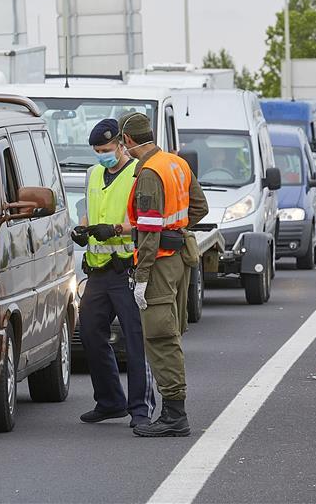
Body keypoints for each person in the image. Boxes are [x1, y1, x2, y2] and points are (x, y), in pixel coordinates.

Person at [120, 111, 208, 437]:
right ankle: (172, 410)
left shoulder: (148, 173)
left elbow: (149, 231)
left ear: (127, 141)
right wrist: (179, 229)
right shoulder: (176, 163)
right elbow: (199, 207)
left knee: (160, 337)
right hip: (179, 258)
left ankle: (174, 414)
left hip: (158, 261)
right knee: (171, 333)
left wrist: (141, 275)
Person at [70, 119, 155, 429]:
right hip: (98, 270)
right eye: (97, 151)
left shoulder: (137, 174)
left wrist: (116, 229)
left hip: (126, 269)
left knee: (134, 341)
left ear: (122, 144)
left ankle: (140, 410)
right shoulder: (93, 174)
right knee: (90, 333)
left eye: (106, 149)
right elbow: (91, 209)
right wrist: (82, 226)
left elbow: (147, 220)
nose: (102, 155)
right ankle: (110, 402)